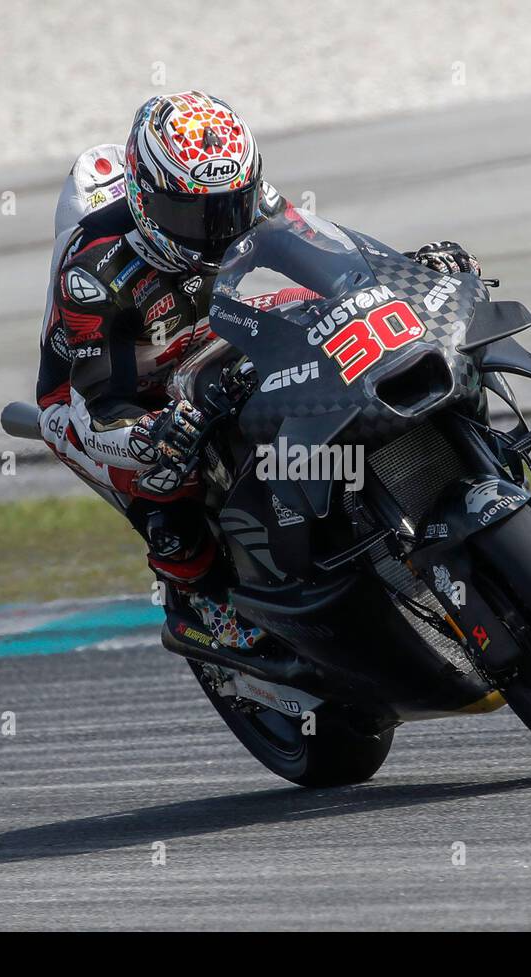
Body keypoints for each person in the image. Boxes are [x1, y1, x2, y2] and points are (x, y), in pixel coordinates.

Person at [35, 90, 479, 649]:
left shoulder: (254, 200)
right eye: (191, 212)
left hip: (212, 334)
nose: (216, 228)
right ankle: (204, 606)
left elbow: (332, 259)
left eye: (229, 206)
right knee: (170, 483)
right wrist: (152, 432)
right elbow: (97, 405)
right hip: (101, 398)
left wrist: (407, 271)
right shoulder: (96, 272)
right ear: (145, 199)